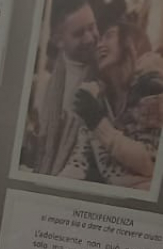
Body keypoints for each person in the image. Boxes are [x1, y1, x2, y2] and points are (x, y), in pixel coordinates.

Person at [63, 18, 163, 189]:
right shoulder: (96, 98)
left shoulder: (152, 88)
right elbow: (78, 163)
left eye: (109, 36)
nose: (99, 45)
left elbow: (152, 164)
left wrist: (99, 124)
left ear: (131, 43)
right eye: (100, 40)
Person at [27, 0, 100, 177]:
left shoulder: (106, 74)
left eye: (92, 27)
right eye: (79, 33)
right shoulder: (45, 89)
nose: (90, 38)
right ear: (58, 40)